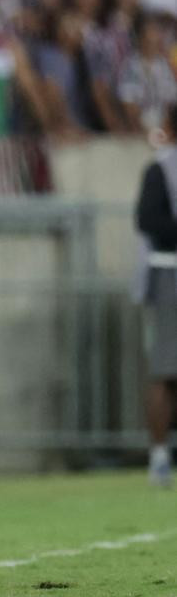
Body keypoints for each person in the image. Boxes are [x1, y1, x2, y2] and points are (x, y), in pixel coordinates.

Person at [133, 104, 177, 489]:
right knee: (165, 367)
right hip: (170, 271)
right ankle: (160, 456)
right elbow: (149, 220)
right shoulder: (161, 167)